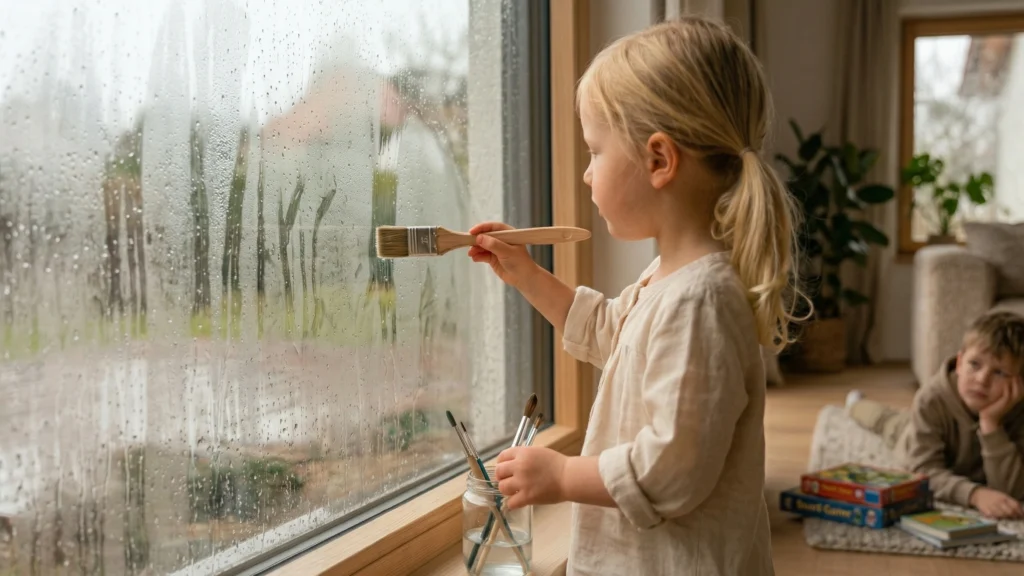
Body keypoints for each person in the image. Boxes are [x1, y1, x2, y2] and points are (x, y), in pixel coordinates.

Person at [466, 16, 807, 575]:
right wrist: (524, 272)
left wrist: (561, 476)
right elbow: (610, 332)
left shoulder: (700, 302)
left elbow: (671, 472)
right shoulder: (671, 278)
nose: (585, 174)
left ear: (658, 160)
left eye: (595, 151)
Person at [846, 310, 1024, 519]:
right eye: (974, 364)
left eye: (999, 372)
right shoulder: (931, 399)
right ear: (959, 363)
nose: (982, 379)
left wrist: (991, 423)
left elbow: (1012, 492)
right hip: (910, 432)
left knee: (902, 418)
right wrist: (974, 494)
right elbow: (923, 471)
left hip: (950, 435)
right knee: (887, 421)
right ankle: (855, 404)